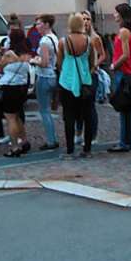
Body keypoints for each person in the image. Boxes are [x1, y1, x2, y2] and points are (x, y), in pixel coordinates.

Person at [56, 13, 96, 158]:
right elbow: (93, 63)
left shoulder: (63, 42)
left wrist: (67, 71)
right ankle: (87, 149)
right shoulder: (89, 41)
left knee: (69, 116)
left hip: (67, 82)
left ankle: (70, 150)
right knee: (87, 116)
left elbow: (59, 63)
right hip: (85, 82)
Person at [107, 3, 131, 153]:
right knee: (126, 109)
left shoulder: (124, 31)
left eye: (115, 12)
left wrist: (114, 65)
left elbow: (125, 55)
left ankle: (124, 142)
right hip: (125, 72)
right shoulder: (124, 31)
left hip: (123, 72)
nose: (114, 15)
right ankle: (127, 141)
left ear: (121, 14)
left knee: (123, 108)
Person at [0, 28, 33, 157]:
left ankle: (15, 146)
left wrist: (0, 55)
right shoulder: (26, 54)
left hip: (10, 87)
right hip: (22, 86)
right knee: (17, 116)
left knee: (10, 118)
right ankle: (24, 141)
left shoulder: (9, 54)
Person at [30, 14, 61, 150]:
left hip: (44, 77)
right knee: (47, 110)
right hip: (53, 75)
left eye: (39, 23)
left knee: (44, 111)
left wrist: (33, 60)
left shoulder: (44, 41)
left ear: (47, 24)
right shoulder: (54, 38)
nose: (37, 26)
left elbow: (44, 62)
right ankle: (52, 138)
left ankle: (51, 140)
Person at [78, 11, 107, 146]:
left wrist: (95, 63)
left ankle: (92, 135)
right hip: (78, 76)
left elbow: (102, 55)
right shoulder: (75, 38)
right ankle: (78, 133)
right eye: (83, 19)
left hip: (91, 75)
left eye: (88, 19)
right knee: (77, 106)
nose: (86, 22)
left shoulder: (95, 38)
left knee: (90, 107)